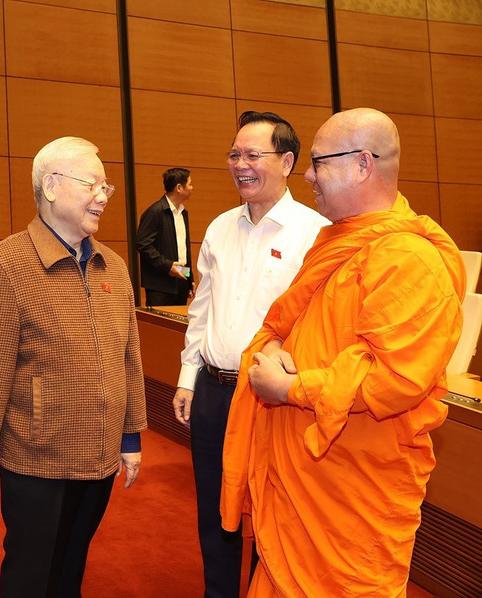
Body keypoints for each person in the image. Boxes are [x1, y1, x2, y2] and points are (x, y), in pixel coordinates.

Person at [220, 108, 466, 597]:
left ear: (362, 164)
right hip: (300, 481)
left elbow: (395, 380)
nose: (308, 176)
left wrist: (289, 388)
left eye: (318, 163)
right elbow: (289, 323)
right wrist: (273, 346)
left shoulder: (408, 259)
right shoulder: (338, 242)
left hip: (350, 500)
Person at [0, 136, 147, 598]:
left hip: (100, 455)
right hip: (38, 458)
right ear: (52, 187)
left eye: (106, 187)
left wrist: (130, 436)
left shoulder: (113, 267)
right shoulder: (6, 266)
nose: (103, 196)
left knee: (71, 569)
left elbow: (129, 359)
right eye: (92, 184)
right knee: (32, 575)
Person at [172, 111, 329, 598]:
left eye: (252, 155)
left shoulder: (316, 232)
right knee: (214, 511)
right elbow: (201, 309)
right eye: (234, 155)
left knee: (271, 513)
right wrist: (187, 377)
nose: (240, 165)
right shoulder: (219, 227)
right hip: (214, 392)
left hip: (272, 400)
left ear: (287, 162)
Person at [137, 167, 196, 306]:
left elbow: (183, 250)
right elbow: (142, 244)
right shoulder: (155, 211)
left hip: (180, 283)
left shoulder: (183, 213)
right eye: (190, 184)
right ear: (179, 188)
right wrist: (168, 266)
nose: (192, 188)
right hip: (160, 287)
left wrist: (189, 280)